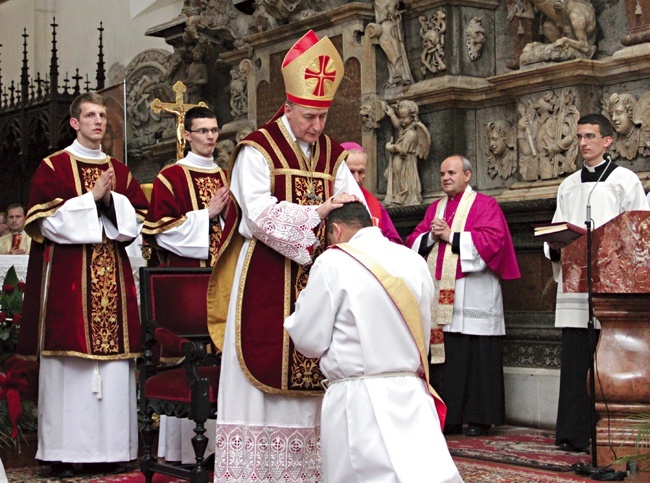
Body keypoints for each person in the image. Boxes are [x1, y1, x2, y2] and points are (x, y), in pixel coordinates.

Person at [208, 30, 364, 482]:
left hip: (320, 282)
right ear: (289, 106)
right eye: (310, 116)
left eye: (323, 116)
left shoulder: (334, 154)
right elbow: (255, 214)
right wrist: (316, 213)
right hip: (266, 277)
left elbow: (353, 208)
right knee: (264, 382)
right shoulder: (257, 149)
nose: (317, 126)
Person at [16, 92, 148, 477]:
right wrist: (90, 199)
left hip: (113, 283)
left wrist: (109, 204)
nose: (98, 122)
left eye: (103, 116)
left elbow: (135, 222)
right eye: (90, 115)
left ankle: (113, 449)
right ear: (74, 123)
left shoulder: (120, 172)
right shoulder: (53, 167)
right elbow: (48, 224)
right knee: (68, 368)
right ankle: (63, 450)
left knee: (114, 370)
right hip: (69, 284)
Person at [284, 202, 463, 482]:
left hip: (359, 400)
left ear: (335, 230)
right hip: (412, 391)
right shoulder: (413, 260)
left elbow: (309, 340)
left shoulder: (334, 261)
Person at [547, 113, 649, 453]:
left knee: (609, 353)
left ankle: (607, 431)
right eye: (579, 137)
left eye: (590, 136)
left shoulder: (625, 181)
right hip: (576, 284)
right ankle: (573, 431)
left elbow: (638, 231)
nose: (583, 143)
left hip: (611, 284)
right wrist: (555, 245)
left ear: (607, 141)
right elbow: (555, 227)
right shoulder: (568, 184)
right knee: (576, 354)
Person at [406, 154, 520, 437]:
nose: (445, 178)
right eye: (442, 173)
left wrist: (452, 236)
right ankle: (451, 415)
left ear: (467, 176)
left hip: (473, 292)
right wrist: (432, 237)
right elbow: (413, 241)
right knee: (448, 355)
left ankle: (480, 417)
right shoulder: (435, 208)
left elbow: (493, 241)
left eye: (452, 173)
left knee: (476, 352)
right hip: (441, 295)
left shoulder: (485, 205)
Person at [143, 106, 233, 464]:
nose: (211, 136)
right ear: (188, 135)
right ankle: (181, 452)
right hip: (188, 282)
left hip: (221, 279)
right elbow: (160, 232)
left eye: (214, 130)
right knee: (189, 359)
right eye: (203, 131)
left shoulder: (225, 174)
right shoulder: (172, 177)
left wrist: (227, 215)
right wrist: (205, 216)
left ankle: (221, 451)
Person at [340, 141, 403, 244]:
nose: (356, 179)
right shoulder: (327, 197)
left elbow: (393, 241)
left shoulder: (374, 204)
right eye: (351, 172)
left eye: (361, 172)